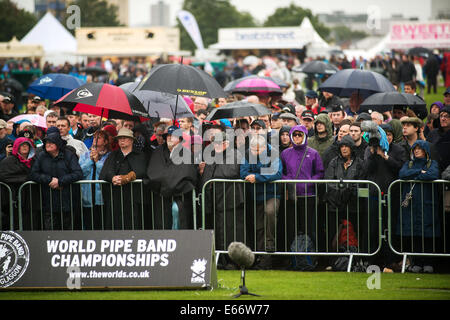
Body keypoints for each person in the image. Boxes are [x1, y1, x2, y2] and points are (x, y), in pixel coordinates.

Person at [280, 125, 324, 266]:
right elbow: (281, 172)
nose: (297, 138)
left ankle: (311, 258)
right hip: (292, 197)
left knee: (310, 228)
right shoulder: (285, 153)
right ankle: (292, 259)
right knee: (290, 228)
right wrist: (288, 181)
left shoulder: (313, 153)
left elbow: (320, 172)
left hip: (309, 196)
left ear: (305, 136)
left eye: (300, 135)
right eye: (295, 135)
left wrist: (309, 182)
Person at [199, 131, 244, 267]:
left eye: (218, 143)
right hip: (215, 200)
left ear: (226, 143)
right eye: (214, 143)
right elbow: (207, 175)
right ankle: (220, 260)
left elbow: (229, 172)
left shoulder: (235, 154)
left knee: (230, 231)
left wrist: (211, 176)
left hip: (230, 199)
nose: (215, 145)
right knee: (218, 230)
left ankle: (232, 261)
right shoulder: (212, 155)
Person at [397, 140, 441, 273]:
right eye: (414, 149)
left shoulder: (432, 163)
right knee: (413, 234)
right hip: (412, 205)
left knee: (427, 234)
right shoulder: (409, 163)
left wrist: (419, 174)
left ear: (425, 150)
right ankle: (416, 262)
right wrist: (419, 172)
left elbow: (432, 174)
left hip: (426, 204)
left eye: (419, 149)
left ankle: (428, 262)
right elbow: (402, 174)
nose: (416, 151)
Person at [240, 135, 282, 269]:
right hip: (256, 196)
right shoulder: (248, 153)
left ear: (264, 148)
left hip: (272, 194)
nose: (254, 153)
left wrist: (257, 176)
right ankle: (260, 257)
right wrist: (262, 175)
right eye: (252, 150)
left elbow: (276, 172)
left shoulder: (273, 153)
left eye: (257, 151)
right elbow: (243, 172)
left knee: (269, 213)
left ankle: (269, 253)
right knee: (259, 227)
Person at [30, 129, 83, 230]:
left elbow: (78, 173)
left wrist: (60, 181)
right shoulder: (41, 156)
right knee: (51, 232)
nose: (48, 145)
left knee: (67, 231)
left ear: (58, 144)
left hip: (67, 200)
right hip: (48, 201)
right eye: (46, 142)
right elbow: (33, 174)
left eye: (51, 142)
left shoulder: (69, 155)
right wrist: (49, 179)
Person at [147, 126, 198, 230]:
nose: (170, 138)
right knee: (162, 226)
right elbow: (153, 172)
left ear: (179, 139)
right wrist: (167, 183)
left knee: (179, 224)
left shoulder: (186, 154)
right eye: (168, 136)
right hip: (160, 199)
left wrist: (168, 183)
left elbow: (187, 174)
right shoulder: (158, 152)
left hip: (180, 199)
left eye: (173, 136)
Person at [323, 135, 365, 260]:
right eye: (342, 146)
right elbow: (329, 182)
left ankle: (356, 260)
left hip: (354, 207)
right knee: (334, 235)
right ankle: (334, 261)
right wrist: (343, 193)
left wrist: (347, 191)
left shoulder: (360, 163)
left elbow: (360, 182)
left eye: (347, 146)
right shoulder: (334, 162)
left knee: (355, 234)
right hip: (335, 206)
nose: (344, 149)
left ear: (352, 148)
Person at [99, 128, 149, 230]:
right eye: (120, 138)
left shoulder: (140, 155)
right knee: (115, 223)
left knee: (133, 223)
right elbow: (104, 172)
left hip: (133, 197)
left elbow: (143, 171)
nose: (122, 140)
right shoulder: (113, 155)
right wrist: (112, 178)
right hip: (115, 196)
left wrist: (127, 177)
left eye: (125, 138)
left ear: (131, 140)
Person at [0, 137, 36, 230]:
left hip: (30, 198)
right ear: (17, 147)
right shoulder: (8, 161)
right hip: (13, 198)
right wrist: (24, 179)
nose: (24, 147)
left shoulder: (34, 160)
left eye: (26, 145)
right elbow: (3, 175)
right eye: (22, 145)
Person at [78, 130, 111, 230]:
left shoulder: (109, 156)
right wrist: (90, 161)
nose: (95, 140)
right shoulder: (85, 155)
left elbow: (105, 174)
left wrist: (97, 161)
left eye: (99, 138)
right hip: (87, 197)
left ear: (105, 142)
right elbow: (80, 172)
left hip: (101, 198)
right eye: (94, 137)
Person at [426, 106, 450, 172]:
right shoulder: (433, 134)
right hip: (434, 171)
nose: (443, 119)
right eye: (441, 116)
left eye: (446, 116)